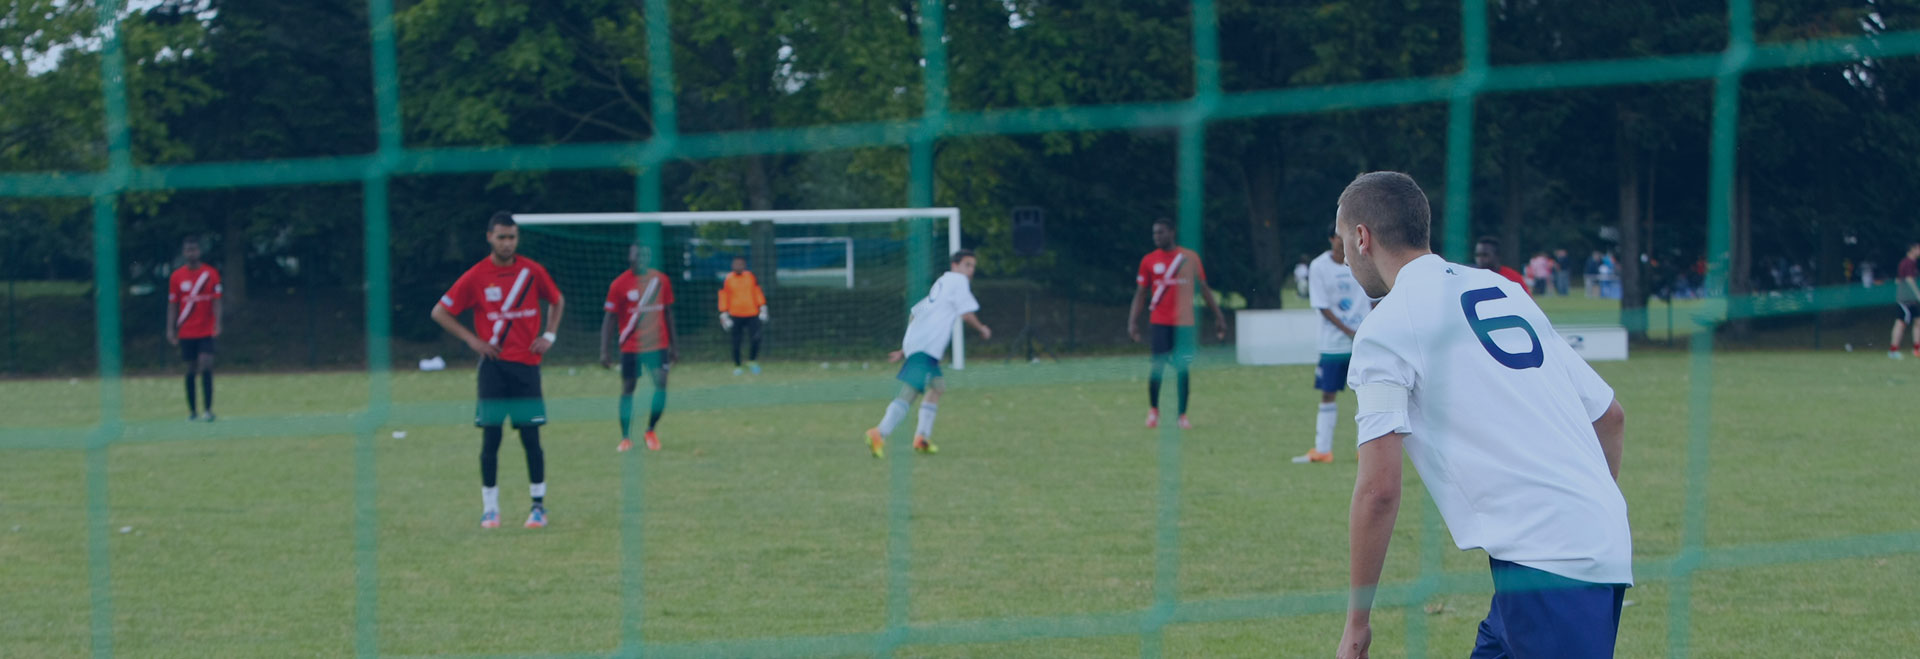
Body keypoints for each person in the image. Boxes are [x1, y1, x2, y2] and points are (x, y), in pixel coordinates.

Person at [1330, 172, 1629, 659]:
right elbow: (1609, 416)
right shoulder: (1500, 290)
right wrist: (1587, 515)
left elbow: (1379, 489)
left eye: (1344, 241)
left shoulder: (1386, 327)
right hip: (1578, 548)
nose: (1343, 257)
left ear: (1361, 237)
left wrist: (1356, 624)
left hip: (1550, 565)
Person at [431, 211, 565, 530]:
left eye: (512, 237)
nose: (507, 243)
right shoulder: (477, 275)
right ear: (489, 237)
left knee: (531, 438)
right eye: (501, 237)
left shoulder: (532, 272)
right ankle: (490, 509)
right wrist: (472, 340)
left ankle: (538, 507)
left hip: (527, 369)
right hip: (492, 370)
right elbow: (440, 311)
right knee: (491, 440)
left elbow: (557, 301)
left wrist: (549, 335)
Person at [865, 250, 991, 458]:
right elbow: (966, 314)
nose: (971, 271)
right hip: (925, 350)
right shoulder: (958, 282)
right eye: (968, 265)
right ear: (956, 265)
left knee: (937, 387)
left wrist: (907, 348)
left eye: (973, 267)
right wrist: (982, 328)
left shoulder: (941, 284)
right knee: (909, 393)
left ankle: (922, 438)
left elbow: (915, 313)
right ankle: (879, 433)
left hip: (921, 349)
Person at [1127, 218, 1228, 430]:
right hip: (1159, 323)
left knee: (1183, 368)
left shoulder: (1189, 258)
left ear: (1172, 232)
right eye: (1154, 233)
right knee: (1158, 367)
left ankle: (1182, 415)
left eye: (1161, 233)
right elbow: (1141, 292)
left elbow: (1204, 289)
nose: (1156, 237)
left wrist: (1219, 316)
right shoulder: (1149, 260)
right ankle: (1154, 410)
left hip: (1184, 324)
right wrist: (1133, 321)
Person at [1292, 222, 1372, 465]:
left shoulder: (1361, 260)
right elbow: (1321, 305)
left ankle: (1365, 451)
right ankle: (1323, 450)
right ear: (1330, 239)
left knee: (1367, 395)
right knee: (1328, 394)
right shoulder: (1319, 266)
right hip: (1333, 344)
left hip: (1362, 342)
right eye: (1338, 237)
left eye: (1345, 236)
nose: (1342, 241)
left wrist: (1366, 329)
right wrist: (1348, 330)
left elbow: (1373, 296)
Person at [601, 245, 676, 451]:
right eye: (637, 254)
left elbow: (668, 313)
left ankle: (650, 430)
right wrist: (604, 351)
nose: (641, 258)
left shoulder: (661, 280)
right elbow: (609, 318)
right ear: (629, 256)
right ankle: (626, 437)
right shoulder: (619, 284)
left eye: (645, 255)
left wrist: (674, 346)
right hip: (631, 347)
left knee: (661, 385)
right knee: (628, 389)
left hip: (658, 345)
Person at [165, 236, 222, 422]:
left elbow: (216, 300)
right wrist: (170, 329)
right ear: (184, 252)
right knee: (190, 369)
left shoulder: (211, 273)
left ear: (199, 251)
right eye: (188, 250)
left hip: (205, 330)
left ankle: (208, 409)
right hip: (187, 331)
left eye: (194, 249)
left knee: (206, 364)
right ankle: (192, 411)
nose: (192, 253)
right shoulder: (176, 277)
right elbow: (173, 305)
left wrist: (217, 323)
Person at [717, 255, 768, 375]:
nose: (738, 266)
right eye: (736, 264)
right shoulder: (728, 279)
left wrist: (763, 307)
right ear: (732, 265)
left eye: (740, 264)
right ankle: (737, 365)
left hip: (752, 313)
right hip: (735, 314)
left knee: (756, 337)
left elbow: (757, 292)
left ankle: (752, 360)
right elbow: (723, 296)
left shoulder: (750, 277)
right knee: (736, 341)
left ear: (744, 265)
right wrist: (723, 313)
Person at [1891, 243, 1920, 360]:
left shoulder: (1912, 263)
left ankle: (1916, 349)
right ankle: (1893, 350)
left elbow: (1897, 280)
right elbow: (1908, 279)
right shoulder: (1907, 262)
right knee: (1901, 323)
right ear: (1912, 250)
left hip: (1910, 299)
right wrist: (1918, 294)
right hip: (1905, 299)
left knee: (1918, 322)